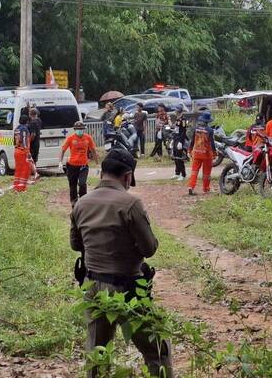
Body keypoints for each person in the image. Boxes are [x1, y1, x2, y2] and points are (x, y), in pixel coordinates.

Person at [70, 148, 173, 378]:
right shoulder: (130, 204)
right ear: (127, 176)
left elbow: (76, 245)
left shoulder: (81, 204)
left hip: (93, 287)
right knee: (157, 350)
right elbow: (149, 249)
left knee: (97, 353)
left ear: (102, 172)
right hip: (127, 290)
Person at [60, 120, 99, 205]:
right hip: (72, 166)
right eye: (78, 129)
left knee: (82, 183)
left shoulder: (88, 138)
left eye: (81, 129)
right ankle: (74, 201)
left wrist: (97, 164)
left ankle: (83, 200)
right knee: (72, 185)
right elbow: (63, 150)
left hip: (83, 166)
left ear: (84, 129)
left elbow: (93, 151)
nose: (80, 130)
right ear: (75, 129)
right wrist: (60, 161)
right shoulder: (70, 138)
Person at [188, 111, 215, 196]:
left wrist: (190, 150)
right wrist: (214, 153)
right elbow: (212, 143)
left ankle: (191, 187)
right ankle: (206, 188)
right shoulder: (210, 130)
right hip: (206, 154)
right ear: (208, 121)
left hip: (196, 153)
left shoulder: (196, 129)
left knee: (194, 171)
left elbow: (192, 140)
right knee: (206, 173)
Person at [13, 114, 32, 192]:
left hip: (17, 151)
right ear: (27, 121)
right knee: (25, 169)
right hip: (22, 152)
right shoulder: (24, 129)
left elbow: (14, 141)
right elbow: (24, 141)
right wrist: (27, 152)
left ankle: (16, 187)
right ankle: (22, 188)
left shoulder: (17, 129)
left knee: (18, 169)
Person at [171, 105, 188, 181]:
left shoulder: (183, 119)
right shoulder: (177, 119)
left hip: (179, 140)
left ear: (179, 111)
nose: (175, 111)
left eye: (176, 110)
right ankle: (177, 173)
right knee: (175, 156)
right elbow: (176, 130)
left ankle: (183, 174)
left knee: (179, 157)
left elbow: (183, 131)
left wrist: (181, 142)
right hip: (175, 139)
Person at [27, 108, 42, 172]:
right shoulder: (39, 121)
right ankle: (34, 173)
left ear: (30, 114)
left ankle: (33, 173)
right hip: (37, 143)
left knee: (31, 159)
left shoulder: (32, 123)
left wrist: (28, 142)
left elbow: (33, 134)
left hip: (33, 143)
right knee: (34, 159)